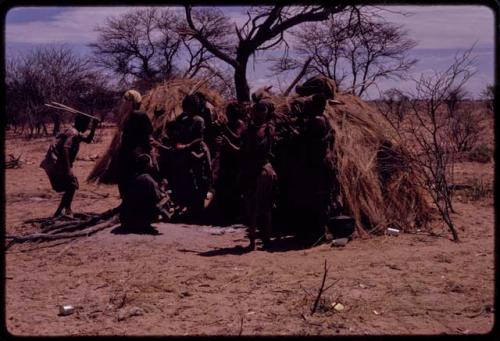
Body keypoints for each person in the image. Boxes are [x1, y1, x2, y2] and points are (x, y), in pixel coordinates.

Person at [157, 94, 212, 223]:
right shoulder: (184, 119)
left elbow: (199, 139)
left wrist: (186, 146)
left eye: (189, 107)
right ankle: (186, 208)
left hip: (195, 151)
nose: (186, 109)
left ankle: (196, 212)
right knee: (185, 180)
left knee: (197, 181)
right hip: (184, 153)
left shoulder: (199, 120)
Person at [40, 113, 98, 218]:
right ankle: (63, 211)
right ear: (81, 124)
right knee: (71, 185)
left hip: (55, 163)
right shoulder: (73, 133)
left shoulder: (75, 132)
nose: (87, 127)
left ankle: (63, 211)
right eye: (87, 124)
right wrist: (68, 169)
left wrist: (94, 127)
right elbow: (65, 149)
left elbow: (88, 140)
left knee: (70, 186)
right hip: (56, 163)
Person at [239, 100, 278, 250]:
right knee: (258, 206)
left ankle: (258, 241)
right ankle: (258, 240)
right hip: (255, 169)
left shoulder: (266, 129)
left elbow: (256, 150)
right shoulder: (251, 129)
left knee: (260, 206)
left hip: (261, 170)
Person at [212, 101, 247, 225]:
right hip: (226, 159)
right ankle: (226, 214)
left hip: (236, 159)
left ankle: (235, 214)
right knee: (224, 185)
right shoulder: (229, 124)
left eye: (230, 112)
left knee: (234, 186)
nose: (228, 114)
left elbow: (238, 138)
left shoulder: (239, 124)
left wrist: (225, 129)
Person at [119, 153, 167, 232]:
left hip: (126, 218)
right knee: (165, 198)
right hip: (139, 219)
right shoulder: (147, 179)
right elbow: (157, 196)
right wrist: (163, 187)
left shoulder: (133, 177)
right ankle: (151, 220)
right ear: (148, 165)